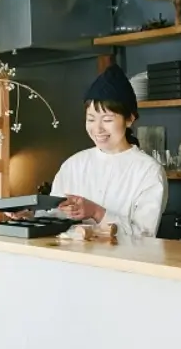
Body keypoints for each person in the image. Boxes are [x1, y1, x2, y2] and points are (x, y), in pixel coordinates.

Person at [16, 65, 168, 237]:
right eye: (91, 119)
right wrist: (28, 216)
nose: (98, 128)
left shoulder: (148, 171)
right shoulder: (73, 165)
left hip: (122, 255)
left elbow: (145, 236)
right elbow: (55, 217)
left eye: (107, 119)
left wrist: (96, 212)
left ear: (129, 119)